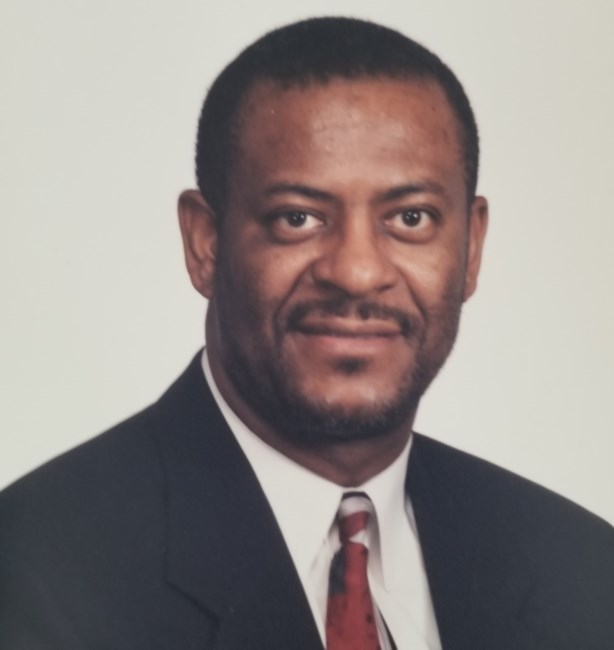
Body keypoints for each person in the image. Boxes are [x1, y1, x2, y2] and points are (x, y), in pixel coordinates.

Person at [0, 16, 612, 650]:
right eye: (297, 218)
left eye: (411, 217)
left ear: (471, 247)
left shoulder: (583, 572)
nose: (357, 272)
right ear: (205, 242)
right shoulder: (35, 577)